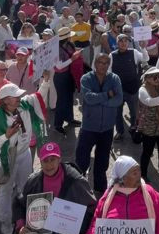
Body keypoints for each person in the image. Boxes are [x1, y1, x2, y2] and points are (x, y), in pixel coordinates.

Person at [1, 142, 97, 234]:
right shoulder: (34, 180)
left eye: (53, 159)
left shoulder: (75, 180)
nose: (49, 164)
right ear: (40, 161)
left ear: (59, 159)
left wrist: (78, 227)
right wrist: (21, 225)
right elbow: (19, 203)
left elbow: (93, 208)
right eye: (45, 160)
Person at [0, 83, 47, 234]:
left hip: (24, 153)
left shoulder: (24, 105)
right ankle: (6, 225)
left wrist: (46, 80)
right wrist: (5, 136)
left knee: (26, 186)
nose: (20, 98)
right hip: (8, 157)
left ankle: (28, 222)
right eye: (16, 97)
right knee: (6, 191)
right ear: (5, 100)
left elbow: (39, 95)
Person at [76, 53, 123, 194]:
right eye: (100, 62)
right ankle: (79, 188)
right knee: (81, 161)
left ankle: (100, 191)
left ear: (109, 65)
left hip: (107, 129)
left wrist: (100, 99)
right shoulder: (86, 78)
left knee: (102, 163)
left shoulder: (114, 78)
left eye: (105, 63)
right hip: (89, 128)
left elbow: (119, 100)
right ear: (95, 64)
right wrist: (108, 95)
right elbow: (89, 98)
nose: (102, 65)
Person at [109, 34, 147, 140]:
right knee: (117, 113)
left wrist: (143, 48)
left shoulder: (134, 52)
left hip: (133, 89)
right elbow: (108, 72)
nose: (124, 43)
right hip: (118, 90)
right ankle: (120, 131)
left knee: (134, 112)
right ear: (117, 43)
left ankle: (134, 128)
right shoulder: (112, 55)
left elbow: (145, 58)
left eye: (126, 41)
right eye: (121, 41)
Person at [52, 27, 82, 134]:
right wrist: (72, 59)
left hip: (70, 75)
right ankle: (58, 124)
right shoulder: (56, 49)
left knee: (69, 98)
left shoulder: (69, 45)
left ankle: (70, 119)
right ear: (67, 37)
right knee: (61, 101)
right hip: (61, 77)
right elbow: (59, 66)